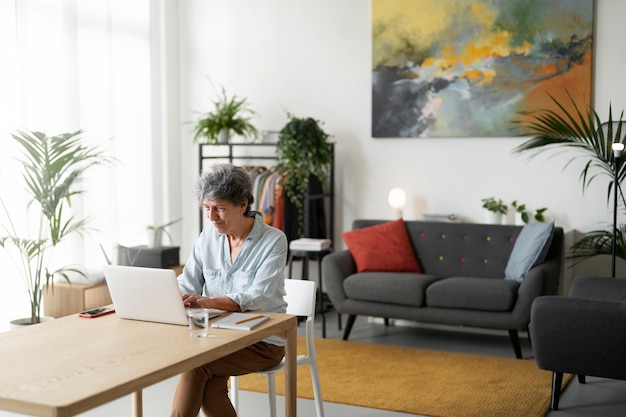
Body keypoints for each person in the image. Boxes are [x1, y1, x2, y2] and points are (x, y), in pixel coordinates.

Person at [170, 163, 288, 417]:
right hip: (218, 337)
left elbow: (258, 296)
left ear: (243, 205)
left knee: (197, 366)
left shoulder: (274, 240)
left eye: (220, 209)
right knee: (209, 383)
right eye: (206, 208)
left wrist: (207, 302)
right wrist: (168, 297)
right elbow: (187, 282)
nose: (212, 217)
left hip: (262, 341)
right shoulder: (207, 237)